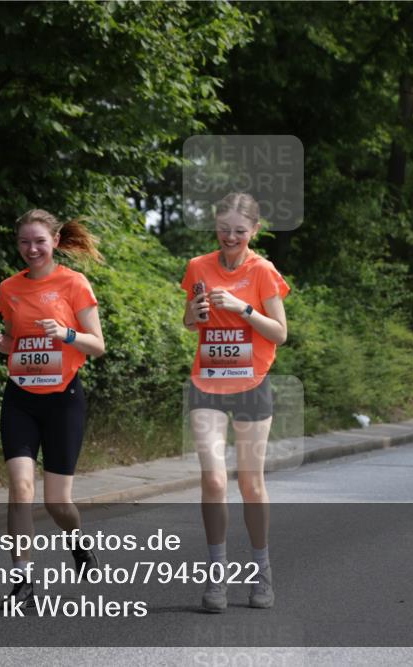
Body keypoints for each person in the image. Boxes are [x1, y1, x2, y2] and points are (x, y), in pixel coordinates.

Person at [0, 208, 105, 607]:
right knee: (20, 488)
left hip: (63, 400)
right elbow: (16, 344)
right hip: (19, 398)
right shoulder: (9, 288)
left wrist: (67, 333)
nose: (31, 249)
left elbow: (97, 345)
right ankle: (23, 580)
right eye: (24, 242)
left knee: (57, 504)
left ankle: (77, 539)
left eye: (39, 241)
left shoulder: (74, 283)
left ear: (55, 241)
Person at [181, 192, 289, 612]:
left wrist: (243, 308)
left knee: (250, 483)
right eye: (224, 229)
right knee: (212, 480)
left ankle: (261, 573)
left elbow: (279, 333)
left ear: (254, 232)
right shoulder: (198, 267)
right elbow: (190, 322)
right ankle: (216, 578)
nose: (230, 237)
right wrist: (198, 311)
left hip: (251, 383)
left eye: (239, 231)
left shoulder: (262, 271)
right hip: (206, 381)